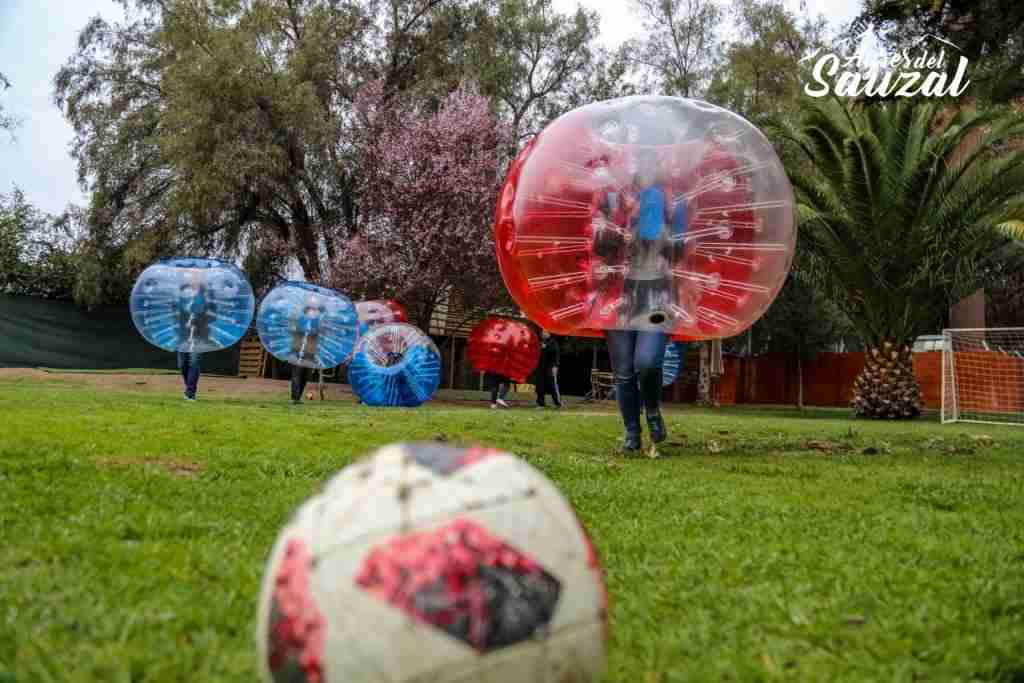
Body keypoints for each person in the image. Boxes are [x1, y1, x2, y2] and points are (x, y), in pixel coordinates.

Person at [594, 150, 679, 452]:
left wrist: (669, 234)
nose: (642, 168)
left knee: (647, 362)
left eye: (650, 162)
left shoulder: (671, 201)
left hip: (657, 293)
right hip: (619, 295)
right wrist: (617, 228)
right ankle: (632, 432)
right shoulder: (614, 200)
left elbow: (684, 251)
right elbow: (599, 247)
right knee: (624, 372)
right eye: (637, 162)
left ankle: (653, 409)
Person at [176, 269, 207, 401]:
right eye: (191, 276)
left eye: (196, 275)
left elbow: (209, 311)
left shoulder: (206, 293)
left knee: (194, 361)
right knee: (182, 364)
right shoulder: (181, 292)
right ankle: (189, 388)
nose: (193, 278)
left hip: (199, 333)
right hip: (183, 333)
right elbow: (176, 310)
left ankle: (190, 393)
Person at [289, 294, 321, 405]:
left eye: (315, 309)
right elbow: (294, 330)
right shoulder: (300, 319)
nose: (313, 311)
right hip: (298, 350)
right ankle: (295, 398)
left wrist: (314, 329)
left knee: (305, 376)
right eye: (311, 309)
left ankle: (299, 397)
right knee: (296, 374)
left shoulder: (317, 322)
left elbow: (319, 333)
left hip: (310, 352)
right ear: (307, 310)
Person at [536, 330, 563, 408]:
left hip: (550, 367)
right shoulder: (539, 342)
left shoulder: (553, 342)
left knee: (552, 385)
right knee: (539, 385)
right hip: (540, 367)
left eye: (544, 332)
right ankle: (541, 404)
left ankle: (557, 403)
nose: (542, 334)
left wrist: (555, 366)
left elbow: (556, 355)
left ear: (549, 333)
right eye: (542, 333)